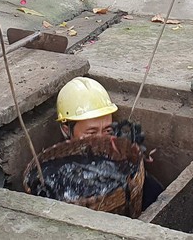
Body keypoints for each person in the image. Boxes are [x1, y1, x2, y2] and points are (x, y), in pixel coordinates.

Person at [54, 77, 164, 208]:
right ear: (66, 129)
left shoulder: (117, 156)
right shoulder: (55, 173)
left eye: (107, 130)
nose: (101, 140)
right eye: (91, 133)